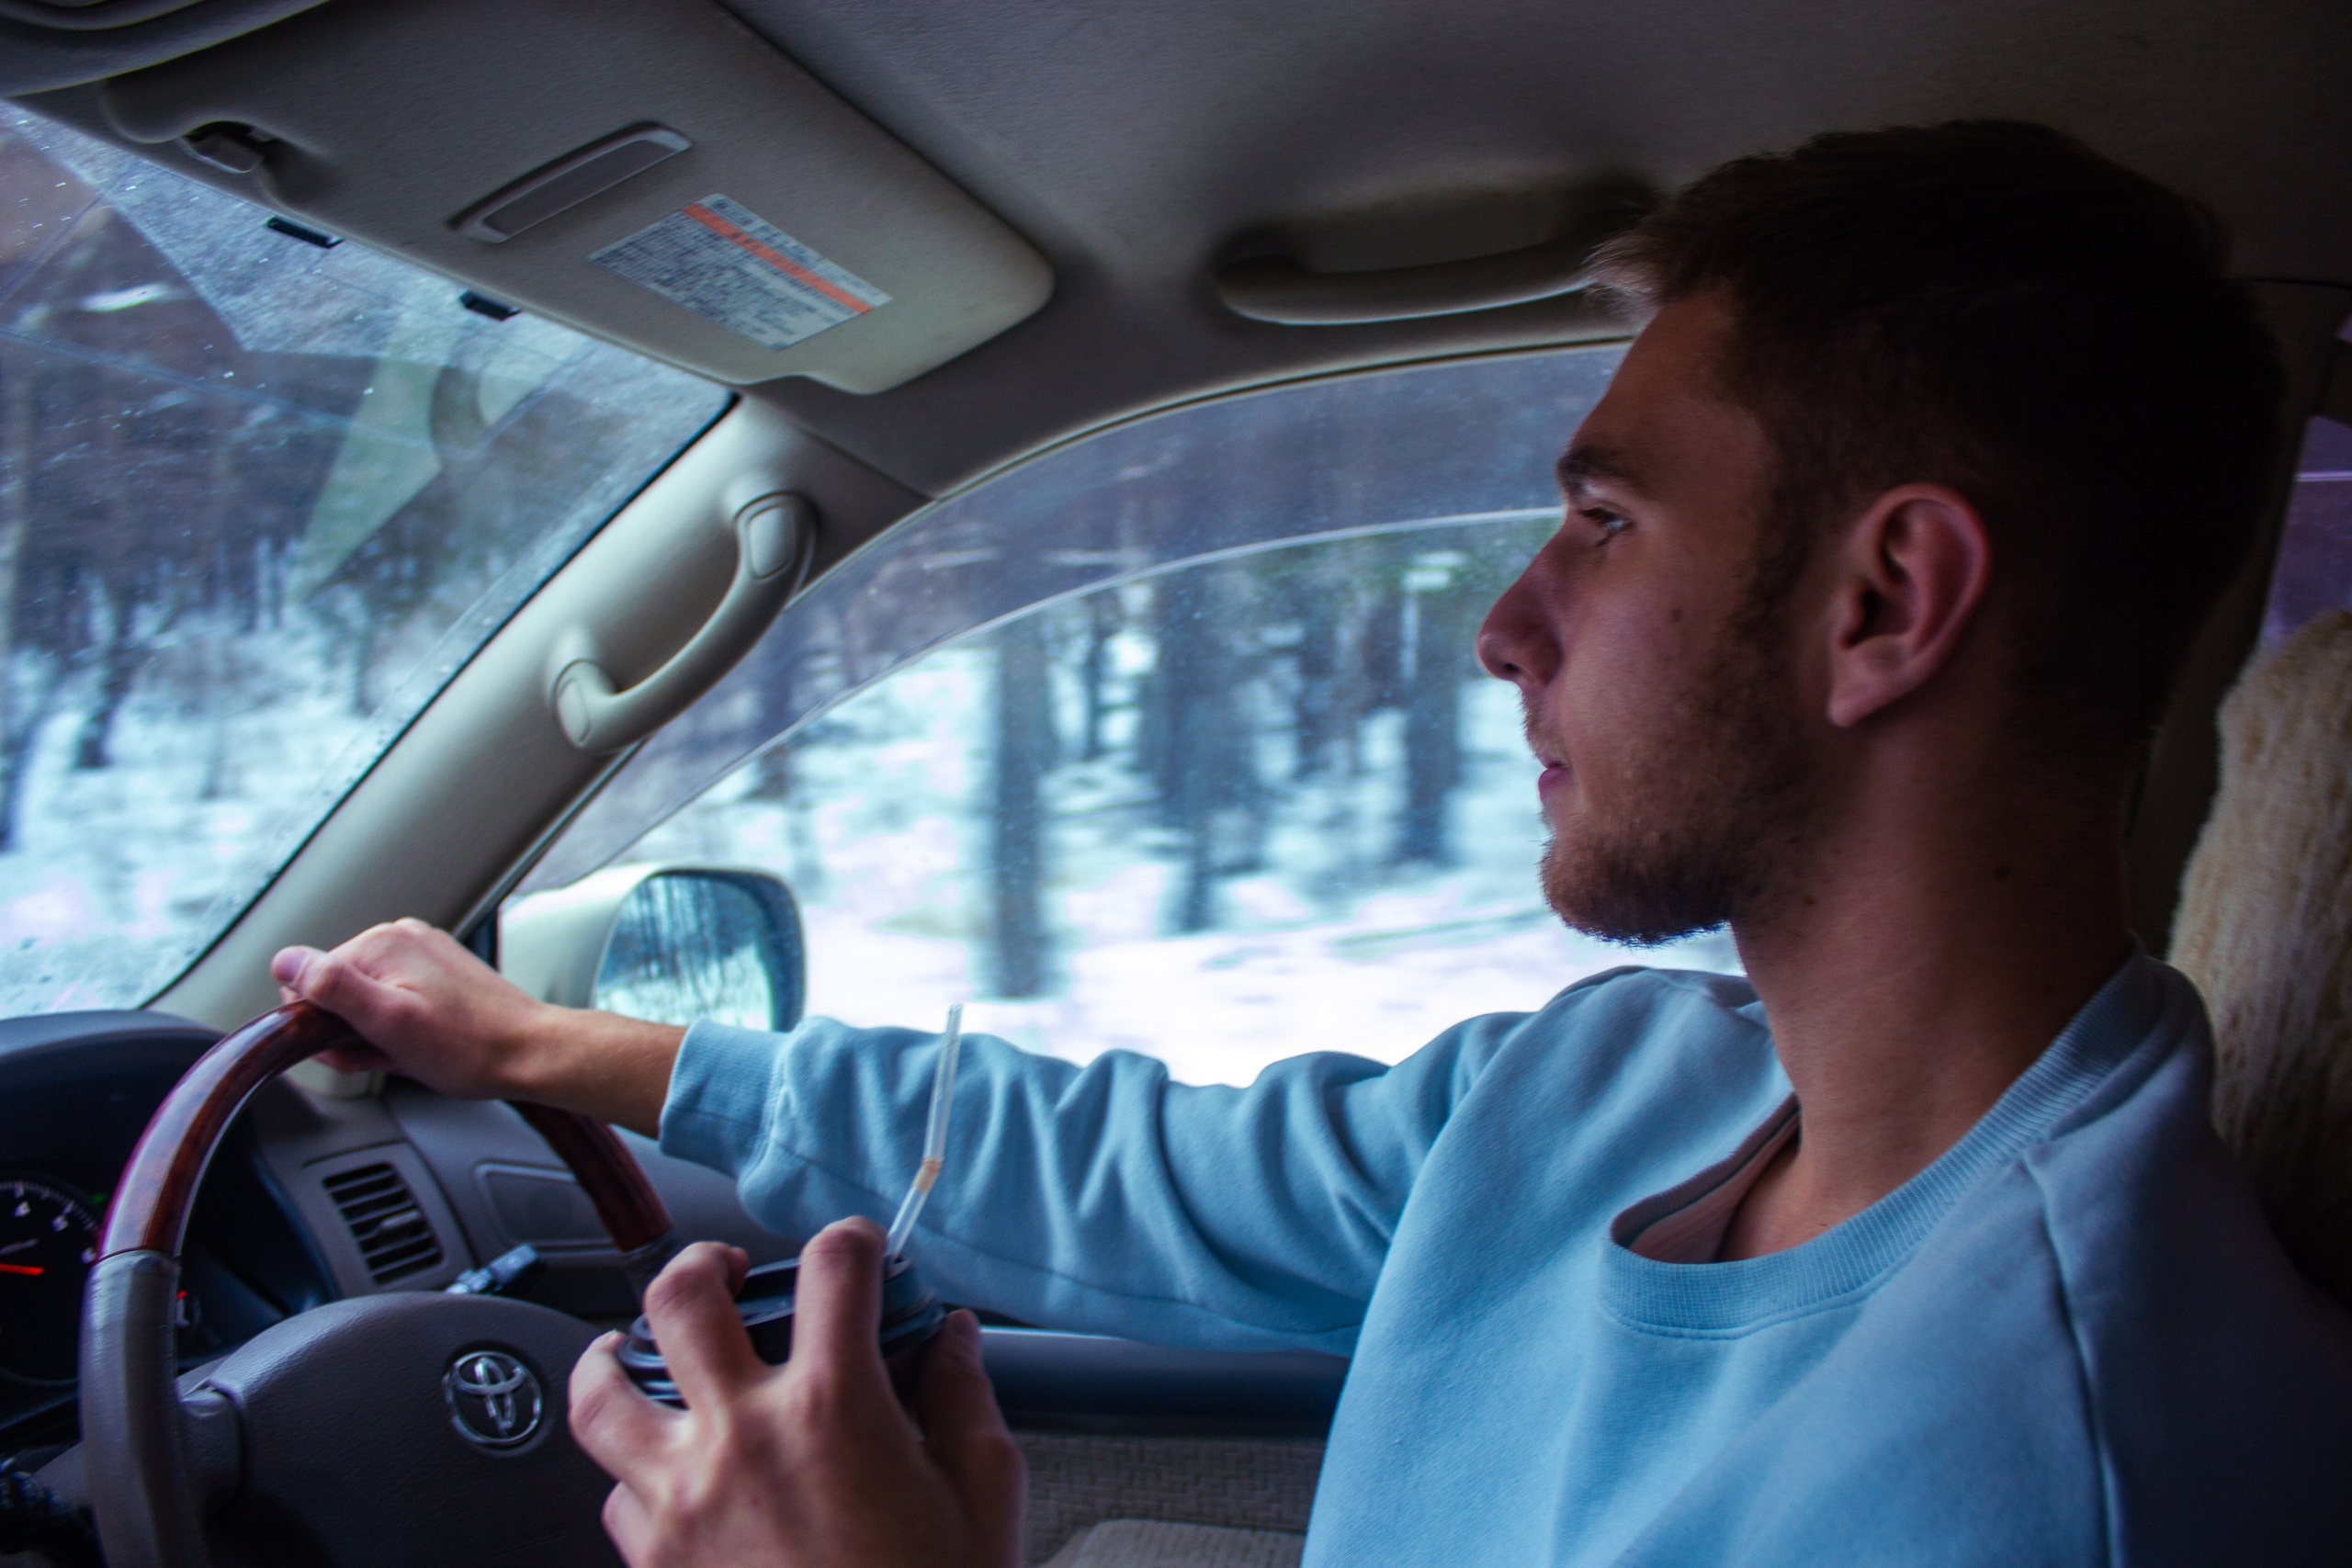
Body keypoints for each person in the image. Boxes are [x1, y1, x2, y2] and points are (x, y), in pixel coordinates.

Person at [274, 121, 2352, 1567]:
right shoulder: (1626, 1083)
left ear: (1886, 600)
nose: (1505, 626)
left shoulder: (2049, 1467)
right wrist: (544, 1047)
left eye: (1605, 522)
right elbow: (1125, 1162)